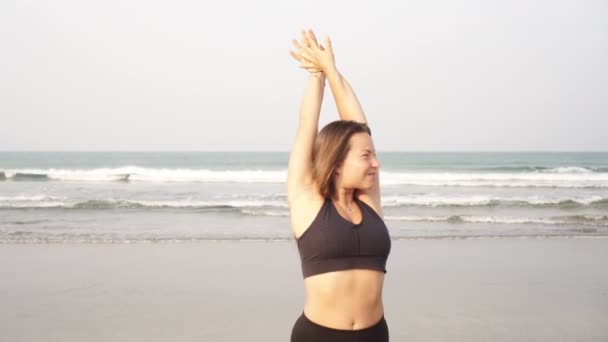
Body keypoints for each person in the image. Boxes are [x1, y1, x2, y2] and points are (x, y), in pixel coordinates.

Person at [287, 29, 392, 342]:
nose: (376, 163)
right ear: (336, 163)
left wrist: (332, 69)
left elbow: (359, 124)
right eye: (366, 156)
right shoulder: (307, 201)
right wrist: (316, 75)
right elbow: (308, 123)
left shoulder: (369, 203)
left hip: (375, 334)